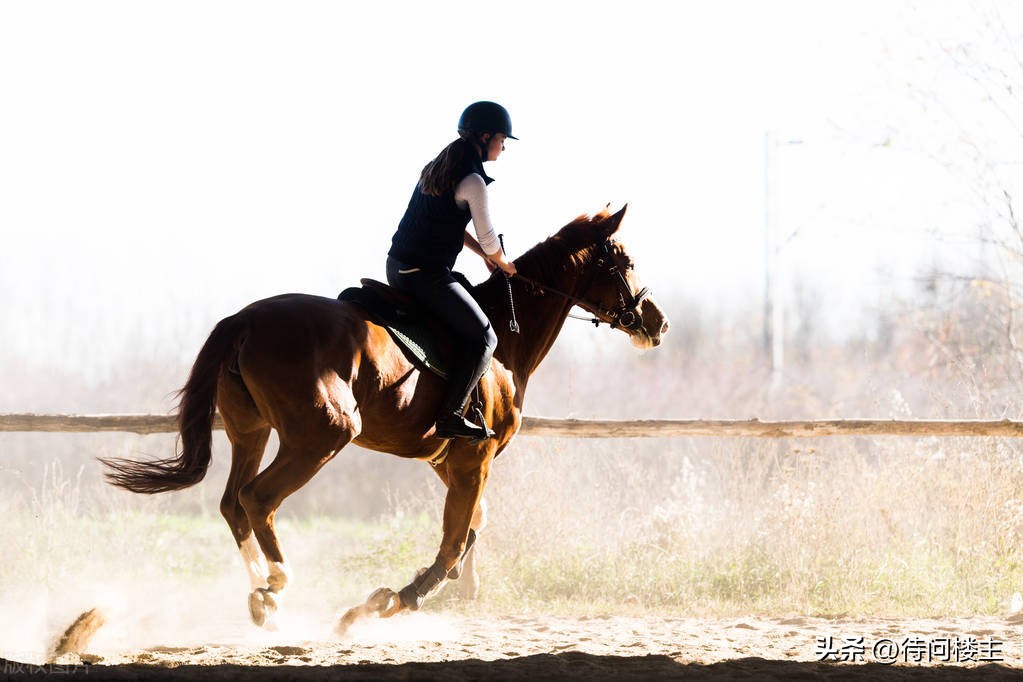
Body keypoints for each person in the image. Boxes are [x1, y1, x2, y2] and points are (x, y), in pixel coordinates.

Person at [386, 101, 518, 440]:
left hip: (397, 268)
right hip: (425, 275)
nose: (503, 147)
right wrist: (504, 263)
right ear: (485, 137)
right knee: (486, 337)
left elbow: (453, 227)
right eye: (502, 139)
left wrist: (485, 256)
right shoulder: (473, 181)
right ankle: (450, 416)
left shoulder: (438, 168)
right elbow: (489, 238)